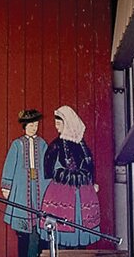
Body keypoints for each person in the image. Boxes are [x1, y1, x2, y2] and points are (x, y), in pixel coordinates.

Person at [40, 105, 100, 248]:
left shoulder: (81, 144)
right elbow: (47, 167)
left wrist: (92, 180)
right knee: (62, 221)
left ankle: (79, 249)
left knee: (81, 220)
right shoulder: (56, 145)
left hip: (83, 188)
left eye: (59, 123)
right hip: (62, 189)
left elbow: (89, 163)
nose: (56, 127)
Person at [0, 108, 49, 257]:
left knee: (41, 226)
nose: (34, 127)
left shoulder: (42, 144)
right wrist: (7, 186)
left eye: (36, 124)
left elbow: (48, 166)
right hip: (21, 189)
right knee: (22, 229)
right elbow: (9, 166)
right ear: (24, 126)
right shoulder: (17, 144)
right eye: (31, 125)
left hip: (40, 188)